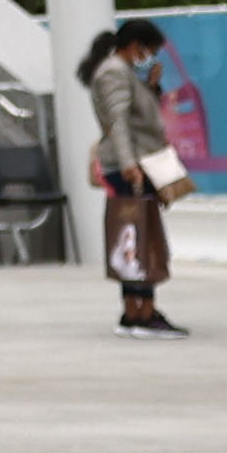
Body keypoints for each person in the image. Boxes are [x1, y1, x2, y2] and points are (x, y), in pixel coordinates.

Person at [85, 17, 180, 329]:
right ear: (136, 45)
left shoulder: (124, 73)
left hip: (138, 161)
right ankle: (141, 310)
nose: (150, 56)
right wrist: (128, 164)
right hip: (132, 165)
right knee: (139, 235)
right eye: (149, 50)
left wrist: (149, 86)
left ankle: (137, 308)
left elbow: (136, 115)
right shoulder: (114, 72)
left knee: (135, 233)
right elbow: (118, 122)